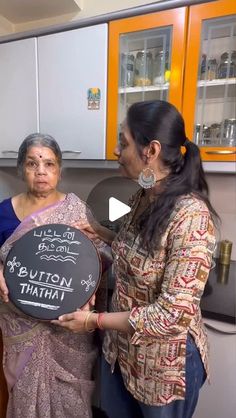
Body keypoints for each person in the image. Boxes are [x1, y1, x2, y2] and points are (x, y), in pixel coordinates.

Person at [55, 100, 219, 418]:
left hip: (163, 369)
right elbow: (135, 250)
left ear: (151, 150)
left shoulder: (191, 216)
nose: (117, 150)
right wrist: (101, 232)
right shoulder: (145, 191)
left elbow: (170, 317)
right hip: (122, 353)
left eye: (124, 142)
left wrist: (92, 321)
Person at [0, 133, 110, 418]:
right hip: (20, 326)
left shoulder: (78, 211)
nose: (41, 172)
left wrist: (93, 291)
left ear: (60, 170)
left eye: (49, 164)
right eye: (32, 164)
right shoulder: (3, 212)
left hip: (69, 331)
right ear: (20, 168)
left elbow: (101, 261)